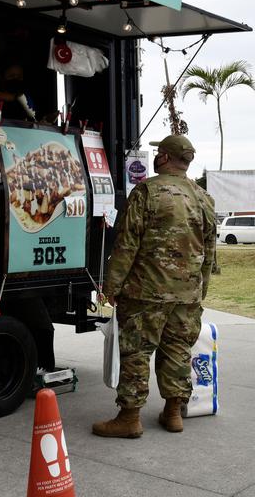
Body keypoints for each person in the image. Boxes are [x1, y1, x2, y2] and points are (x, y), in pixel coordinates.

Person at [92, 135, 217, 438]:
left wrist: (111, 286)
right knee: (178, 350)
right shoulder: (203, 197)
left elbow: (126, 244)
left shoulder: (146, 191)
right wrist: (201, 288)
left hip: (145, 292)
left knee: (136, 352)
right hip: (186, 293)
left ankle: (129, 418)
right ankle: (173, 413)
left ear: (163, 157)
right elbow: (210, 251)